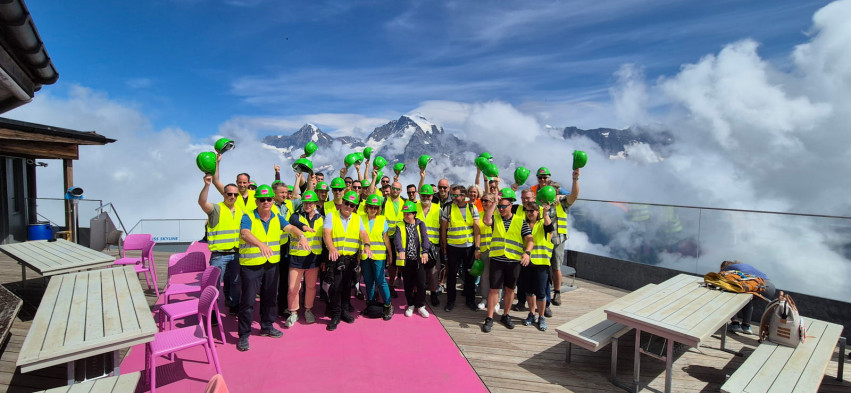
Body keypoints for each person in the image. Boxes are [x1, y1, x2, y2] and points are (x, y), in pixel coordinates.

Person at [237, 185, 310, 351]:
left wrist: (302, 235)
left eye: (268, 199)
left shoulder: (276, 216)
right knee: (248, 301)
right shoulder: (248, 216)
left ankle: (267, 326)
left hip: (271, 264)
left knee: (270, 297)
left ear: (272, 201)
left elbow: (290, 227)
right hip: (251, 265)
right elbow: (245, 233)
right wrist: (260, 244)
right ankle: (244, 334)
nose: (266, 202)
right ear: (256, 201)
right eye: (262, 199)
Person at [481, 188, 534, 333]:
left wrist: (527, 253)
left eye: (504, 206)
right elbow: (486, 220)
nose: (501, 209)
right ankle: (490, 317)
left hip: (513, 261)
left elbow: (530, 239)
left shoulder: (520, 221)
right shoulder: (495, 218)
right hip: (497, 259)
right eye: (500, 206)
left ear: (511, 205)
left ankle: (506, 314)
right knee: (494, 289)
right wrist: (494, 204)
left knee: (510, 289)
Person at [322, 191, 370, 331]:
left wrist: (366, 245)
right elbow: (326, 233)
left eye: (352, 205)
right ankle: (335, 314)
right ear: (342, 202)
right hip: (336, 258)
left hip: (350, 259)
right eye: (346, 203)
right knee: (335, 287)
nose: (348, 206)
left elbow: (363, 234)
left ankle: (345, 310)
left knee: (346, 286)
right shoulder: (332, 216)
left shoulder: (357, 218)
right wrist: (331, 248)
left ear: (355, 207)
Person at [198, 174, 242, 315]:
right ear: (224, 194)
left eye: (236, 194)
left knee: (236, 283)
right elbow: (202, 202)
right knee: (214, 285)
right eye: (230, 194)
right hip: (219, 256)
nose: (233, 197)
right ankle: (211, 312)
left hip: (236, 254)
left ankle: (234, 305)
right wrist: (207, 185)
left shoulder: (240, 211)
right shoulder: (216, 209)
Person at [284, 190, 323, 327]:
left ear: (315, 204)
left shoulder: (321, 218)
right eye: (305, 202)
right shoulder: (296, 216)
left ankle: (308, 309)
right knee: (293, 288)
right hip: (297, 258)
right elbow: (293, 221)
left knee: (311, 287)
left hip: (313, 258)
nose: (308, 205)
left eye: (310, 203)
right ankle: (293, 312)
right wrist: (304, 227)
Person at [440, 184, 481, 312]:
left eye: (456, 195)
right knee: (451, 275)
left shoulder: (472, 208)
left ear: (464, 196)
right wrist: (445, 247)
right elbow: (443, 229)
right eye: (452, 195)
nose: (453, 197)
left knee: (470, 275)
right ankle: (450, 301)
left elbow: (477, 230)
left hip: (468, 247)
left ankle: (470, 300)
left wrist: (477, 248)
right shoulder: (448, 208)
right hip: (453, 247)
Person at [519, 201, 554, 331]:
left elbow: (550, 228)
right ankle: (532, 314)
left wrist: (545, 214)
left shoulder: (542, 224)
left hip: (541, 263)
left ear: (537, 212)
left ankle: (542, 316)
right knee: (529, 291)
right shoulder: (524, 224)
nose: (529, 213)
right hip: (527, 263)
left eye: (532, 211)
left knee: (540, 292)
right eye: (527, 211)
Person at [547, 173, 580, 307]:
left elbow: (574, 195)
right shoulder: (542, 203)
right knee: (543, 268)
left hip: (558, 240)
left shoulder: (562, 203)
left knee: (556, 267)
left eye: (554, 192)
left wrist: (575, 179)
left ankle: (557, 292)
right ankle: (544, 292)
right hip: (543, 241)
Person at [395, 201, 431, 318]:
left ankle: (420, 305)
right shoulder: (399, 225)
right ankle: (410, 304)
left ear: (414, 214)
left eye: (409, 213)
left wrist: (425, 252)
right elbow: (398, 239)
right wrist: (400, 250)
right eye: (405, 213)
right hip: (406, 260)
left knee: (421, 284)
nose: (406, 215)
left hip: (419, 260)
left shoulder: (421, 224)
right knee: (408, 284)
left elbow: (425, 238)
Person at [360, 194, 393, 320]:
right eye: (370, 207)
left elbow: (386, 238)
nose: (373, 209)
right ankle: (371, 303)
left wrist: (390, 254)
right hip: (364, 256)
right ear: (366, 207)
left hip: (378, 255)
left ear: (378, 208)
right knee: (368, 281)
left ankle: (388, 305)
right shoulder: (360, 219)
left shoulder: (382, 220)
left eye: (375, 207)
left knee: (381, 281)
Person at [721, 260, 776, 335]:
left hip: (757, 285)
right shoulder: (743, 267)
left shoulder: (728, 268)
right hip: (770, 287)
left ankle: (735, 323)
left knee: (728, 295)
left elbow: (721, 279)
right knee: (748, 298)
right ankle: (746, 326)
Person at [416, 184, 442, 307]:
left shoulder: (438, 209)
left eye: (428, 195)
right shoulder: (414, 207)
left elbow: (443, 228)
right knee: (418, 271)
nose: (426, 197)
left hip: (433, 245)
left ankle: (433, 293)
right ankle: (418, 293)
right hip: (417, 245)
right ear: (420, 195)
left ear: (432, 196)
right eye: (423, 195)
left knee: (433, 272)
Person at [476, 192, 498, 312]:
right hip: (484, 250)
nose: (484, 203)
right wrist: (477, 248)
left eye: (487, 200)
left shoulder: (499, 215)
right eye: (483, 200)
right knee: (484, 276)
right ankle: (484, 298)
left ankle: (496, 300)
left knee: (497, 276)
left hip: (496, 250)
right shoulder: (478, 215)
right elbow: (477, 233)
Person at [384, 181, 405, 298]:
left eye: (398, 189)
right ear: (390, 189)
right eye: (393, 188)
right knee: (385, 263)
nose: (395, 191)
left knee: (396, 263)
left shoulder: (404, 203)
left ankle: (393, 284)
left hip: (399, 238)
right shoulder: (384, 201)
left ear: (400, 191)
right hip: (385, 237)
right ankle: (384, 287)